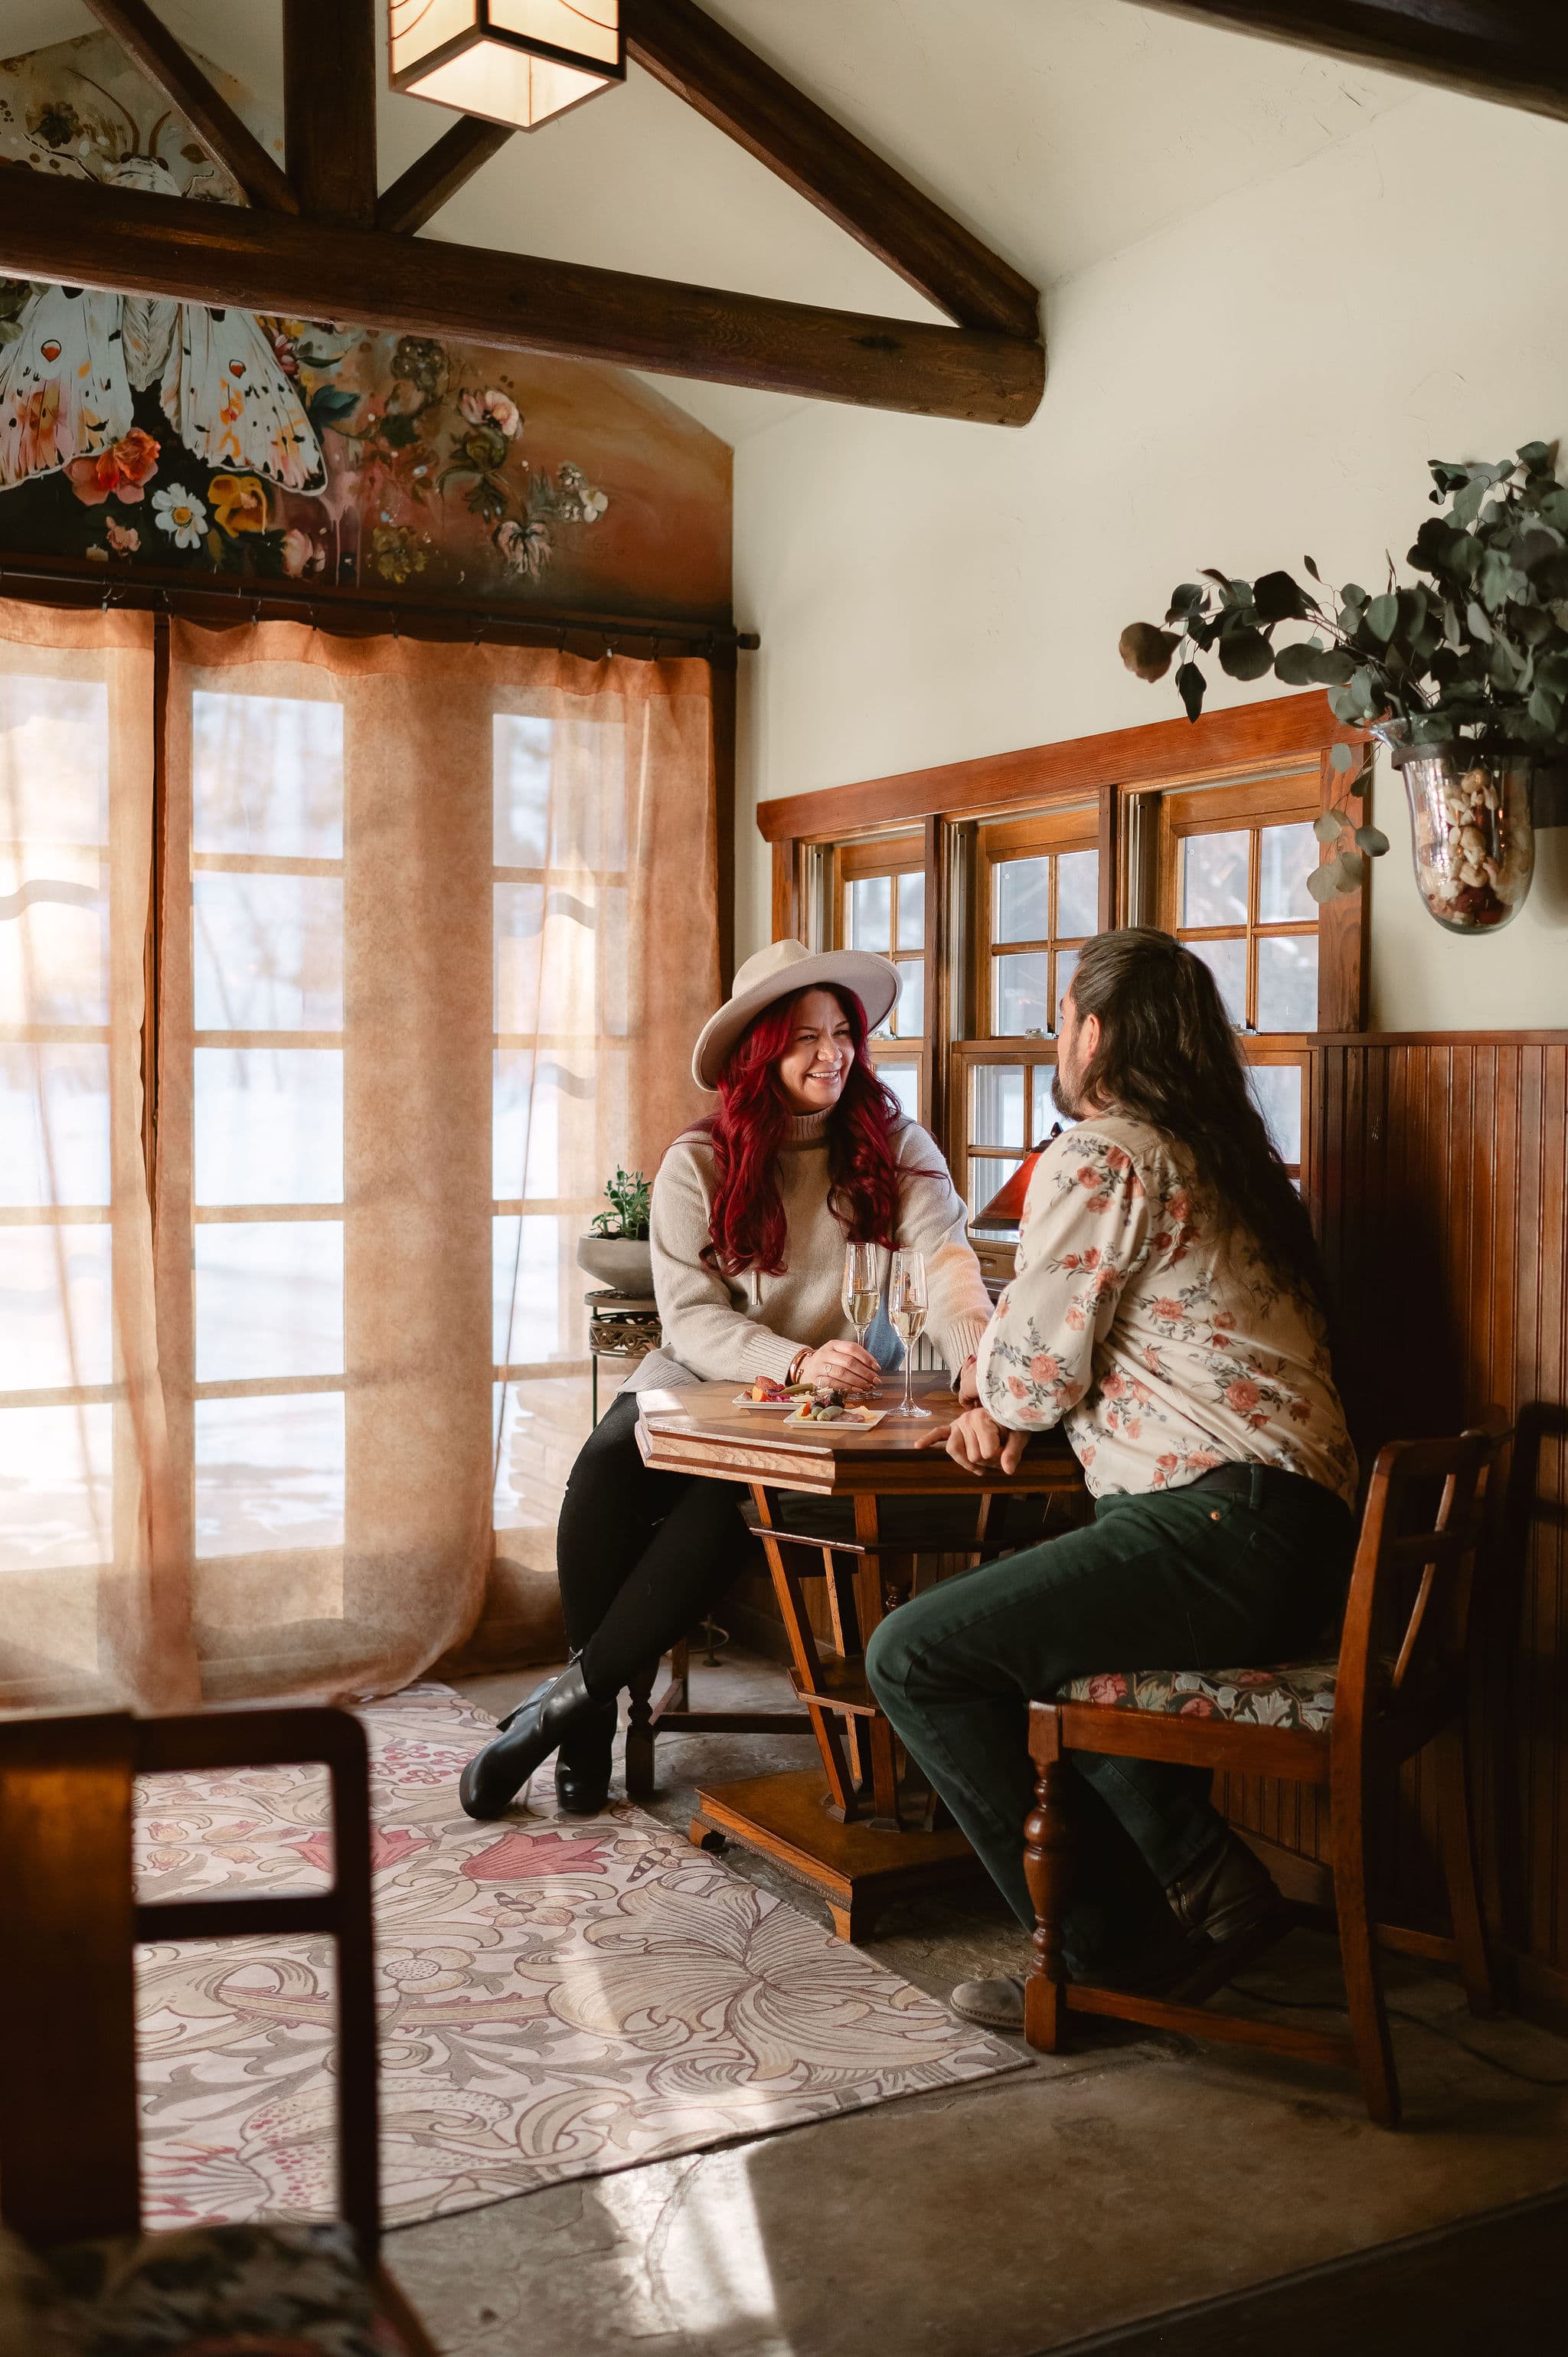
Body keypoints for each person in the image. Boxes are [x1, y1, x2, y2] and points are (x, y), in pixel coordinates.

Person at [864, 927, 1359, 2031]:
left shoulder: (1105, 1153)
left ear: (1092, 1033)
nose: (1055, 1037)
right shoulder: (1231, 1160)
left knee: (914, 1653)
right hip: (1307, 1540)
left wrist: (995, 1396)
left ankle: (1105, 1956)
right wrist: (1013, 1394)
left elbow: (1034, 1376)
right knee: (1049, 1632)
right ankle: (1211, 1884)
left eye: (1058, 1017)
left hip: (1222, 1526)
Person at [461, 937, 994, 1821]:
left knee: (725, 1506)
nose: (832, 1055)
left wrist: (977, 1357)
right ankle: (589, 1723)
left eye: (841, 1034)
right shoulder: (698, 1161)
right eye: (804, 1039)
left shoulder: (894, 1145)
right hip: (714, 1372)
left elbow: (944, 1261)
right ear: (759, 1053)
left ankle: (560, 1712)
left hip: (826, 1401)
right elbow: (693, 1319)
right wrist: (789, 1359)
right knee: (603, 1467)